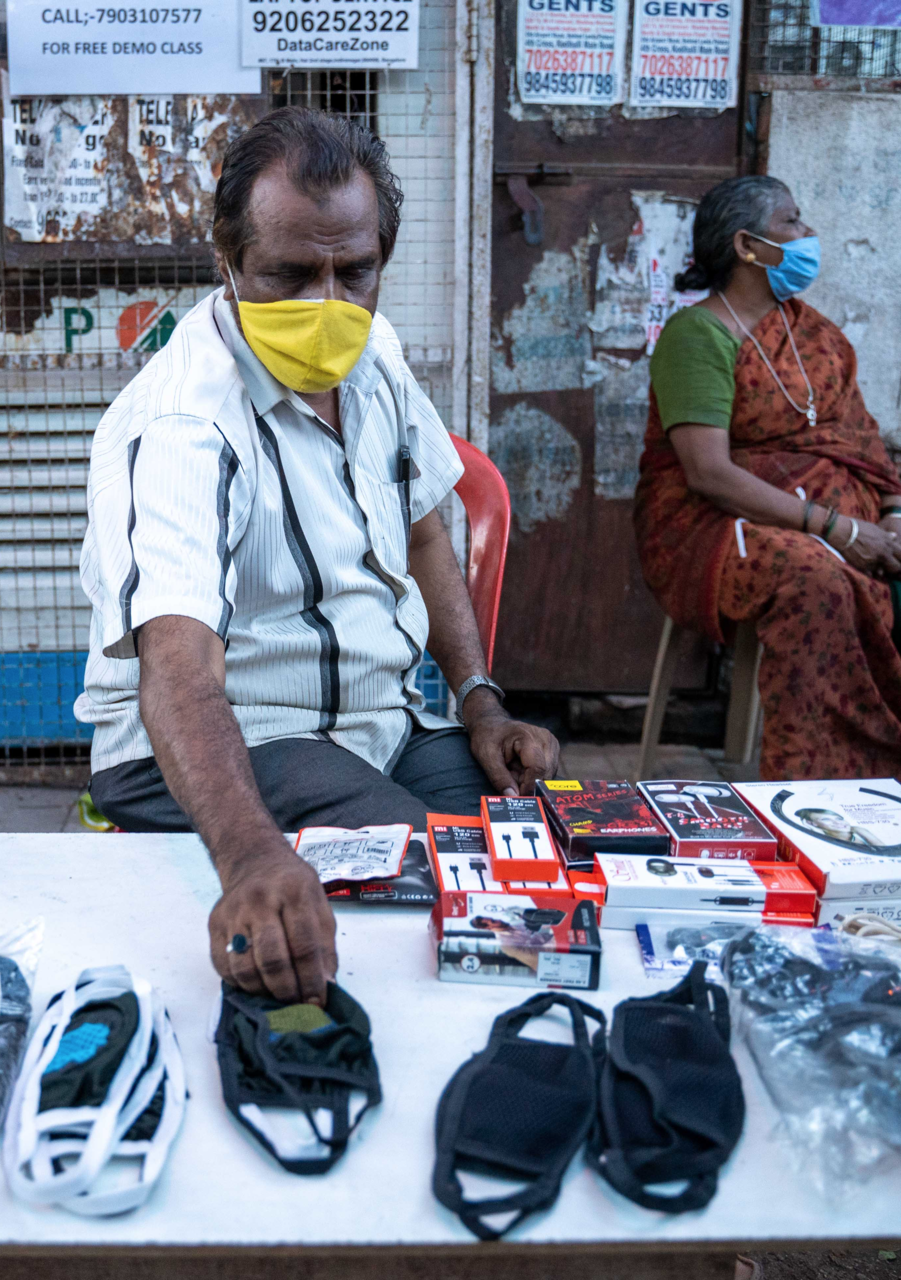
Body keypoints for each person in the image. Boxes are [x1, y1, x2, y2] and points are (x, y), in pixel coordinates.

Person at [76, 108, 560, 1005]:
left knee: (537, 851)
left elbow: (424, 532)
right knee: (420, 879)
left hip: (380, 723)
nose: (327, 305)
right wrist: (248, 858)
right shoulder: (185, 424)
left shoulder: (376, 357)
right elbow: (180, 671)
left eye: (355, 271)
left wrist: (479, 702)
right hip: (237, 736)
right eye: (290, 275)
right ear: (227, 264)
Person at [633, 176, 901, 828]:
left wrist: (897, 516)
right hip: (719, 526)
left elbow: (862, 442)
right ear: (749, 247)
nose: (808, 234)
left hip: (850, 511)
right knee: (818, 581)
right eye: (792, 222)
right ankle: (818, 792)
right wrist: (837, 531)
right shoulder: (697, 337)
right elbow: (710, 474)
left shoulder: (817, 337)